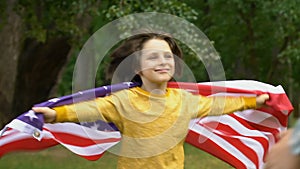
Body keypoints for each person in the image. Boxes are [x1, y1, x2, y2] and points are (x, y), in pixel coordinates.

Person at [32, 31, 270, 169]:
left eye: (167, 56)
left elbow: (220, 104)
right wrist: (56, 114)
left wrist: (252, 102)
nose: (162, 61)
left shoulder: (185, 100)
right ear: (137, 66)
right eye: (153, 57)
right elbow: (91, 109)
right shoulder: (124, 100)